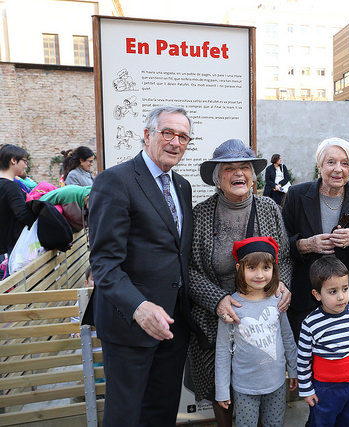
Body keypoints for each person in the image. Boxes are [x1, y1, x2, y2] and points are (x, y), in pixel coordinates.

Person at [86, 105, 198, 427]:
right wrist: (139, 307)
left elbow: (176, 253)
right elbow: (104, 263)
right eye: (168, 133)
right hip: (130, 324)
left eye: (183, 137)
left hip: (173, 323)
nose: (175, 142)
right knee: (126, 415)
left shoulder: (182, 186)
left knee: (162, 411)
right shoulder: (115, 181)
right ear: (147, 135)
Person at [188, 138, 292, 427]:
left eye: (244, 167)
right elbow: (189, 271)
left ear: (253, 175)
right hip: (214, 321)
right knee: (220, 389)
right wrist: (217, 300)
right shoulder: (201, 215)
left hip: (261, 320)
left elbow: (284, 258)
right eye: (228, 168)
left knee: (262, 388)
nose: (238, 173)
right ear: (217, 179)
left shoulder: (269, 208)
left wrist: (283, 285)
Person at [282, 137, 349, 340]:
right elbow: (282, 244)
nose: (338, 169)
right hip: (307, 297)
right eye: (331, 162)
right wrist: (306, 245)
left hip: (347, 299)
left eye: (345, 163)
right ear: (319, 165)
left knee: (343, 354)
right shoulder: (297, 195)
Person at [215, 237, 297, 427]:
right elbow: (223, 350)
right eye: (252, 268)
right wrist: (222, 390)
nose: (260, 275)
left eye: (266, 268)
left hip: (276, 384)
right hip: (245, 388)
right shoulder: (231, 306)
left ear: (273, 269)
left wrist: (293, 369)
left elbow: (287, 338)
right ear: (239, 269)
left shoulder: (277, 300)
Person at [297, 256, 349, 426]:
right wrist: (307, 390)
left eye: (345, 289)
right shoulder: (311, 323)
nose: (341, 297)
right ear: (317, 294)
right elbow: (303, 360)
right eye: (333, 291)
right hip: (325, 390)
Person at [0, 144, 37, 262]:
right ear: (13, 160)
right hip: (9, 246)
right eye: (24, 161)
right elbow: (22, 214)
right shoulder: (11, 186)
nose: (26, 165)